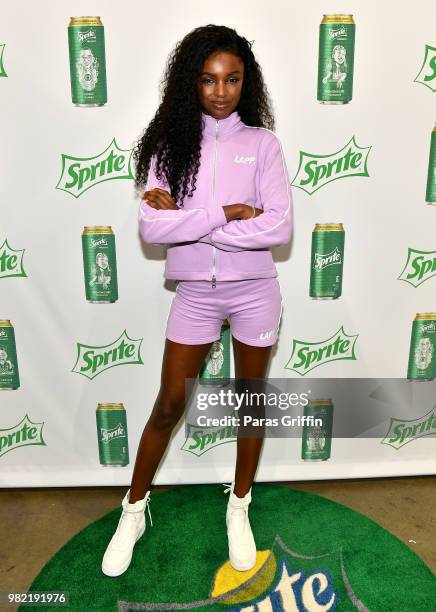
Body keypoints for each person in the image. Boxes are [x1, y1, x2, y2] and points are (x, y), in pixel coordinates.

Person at [101, 23, 293, 578]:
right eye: (209, 80)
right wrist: (227, 214)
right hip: (194, 295)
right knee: (168, 404)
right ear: (192, 82)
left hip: (255, 291)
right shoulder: (169, 148)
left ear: (245, 84)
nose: (220, 91)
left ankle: (239, 507)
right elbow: (150, 228)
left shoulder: (262, 145)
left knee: (250, 405)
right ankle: (133, 511)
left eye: (232, 79)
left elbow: (278, 228)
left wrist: (190, 224)